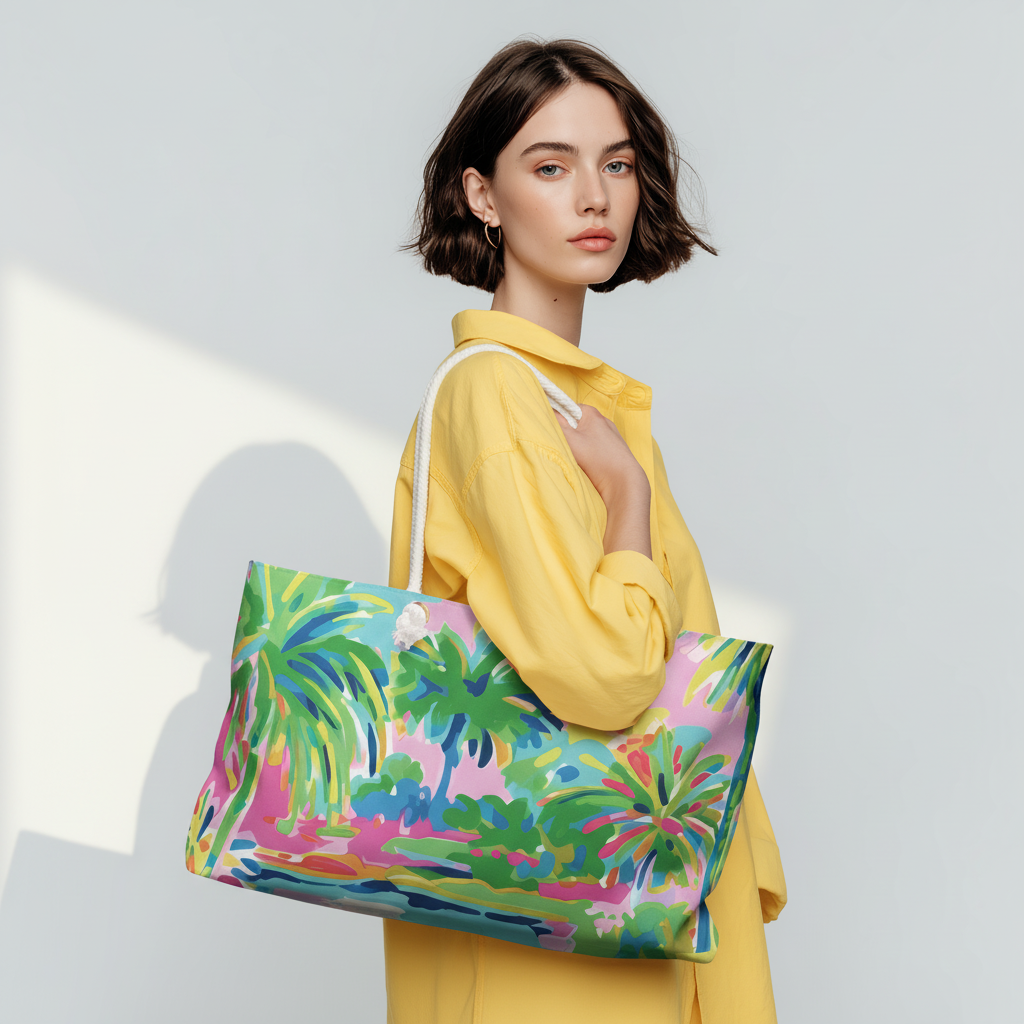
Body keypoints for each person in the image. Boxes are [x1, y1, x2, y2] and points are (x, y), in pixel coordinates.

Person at [386, 38, 786, 1024]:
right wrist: (630, 507)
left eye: (616, 162)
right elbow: (603, 676)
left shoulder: (572, 406)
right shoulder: (498, 398)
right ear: (482, 195)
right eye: (550, 166)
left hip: (629, 913)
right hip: (560, 954)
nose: (594, 196)